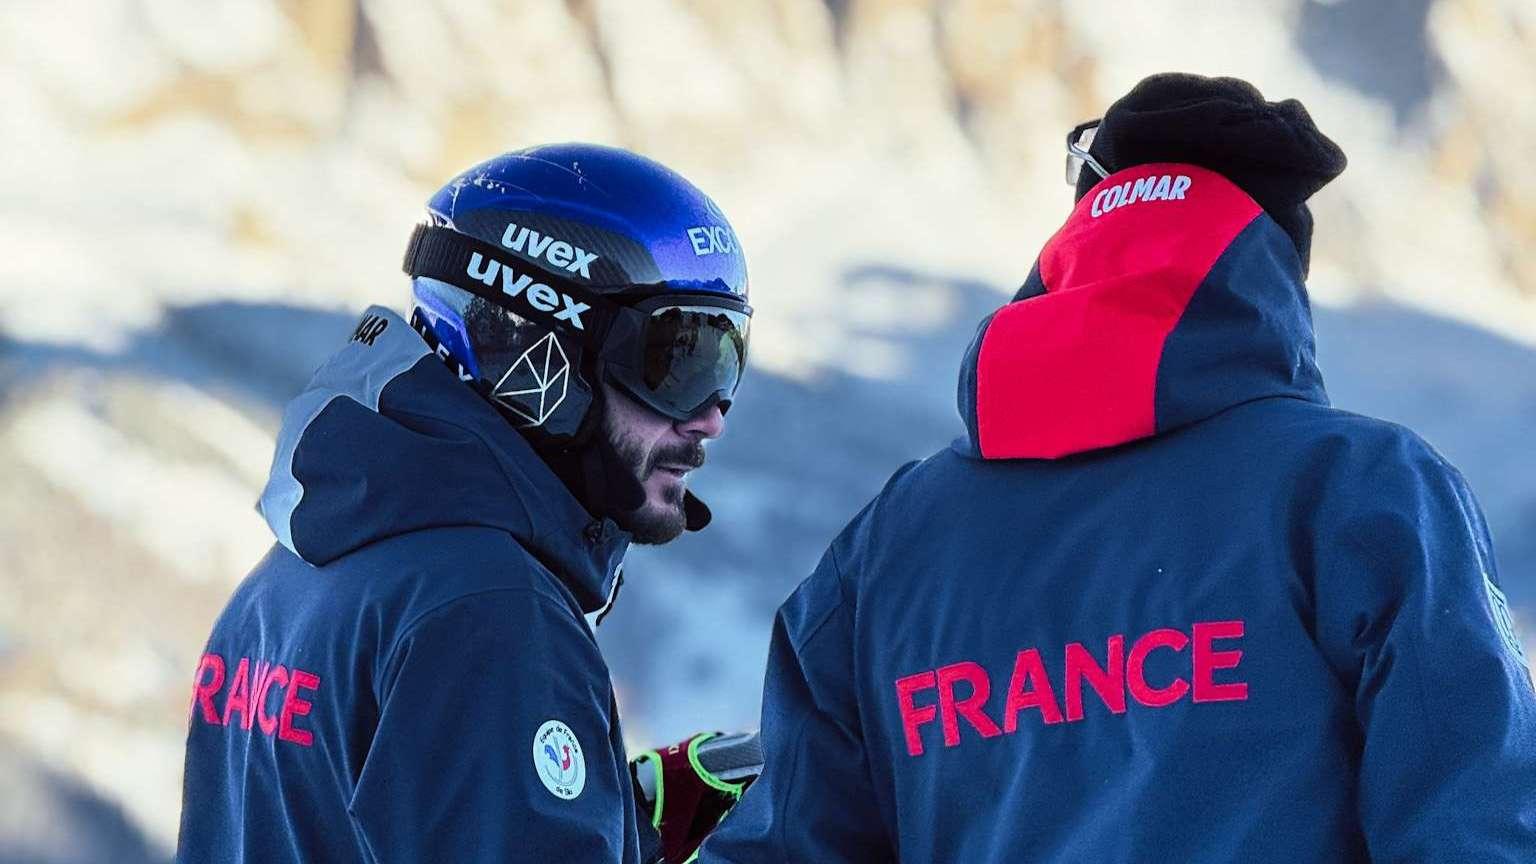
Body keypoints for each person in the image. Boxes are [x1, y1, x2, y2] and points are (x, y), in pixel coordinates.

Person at [700, 74, 1536, 863]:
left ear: (1077, 240)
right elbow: (1478, 823)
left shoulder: (885, 549)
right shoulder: (1365, 494)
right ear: (1275, 270)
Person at [178, 143, 755, 863]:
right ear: (538, 347)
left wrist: (618, 822)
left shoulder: (284, 587)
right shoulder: (490, 613)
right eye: (678, 358)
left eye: (730, 355)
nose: (711, 416)